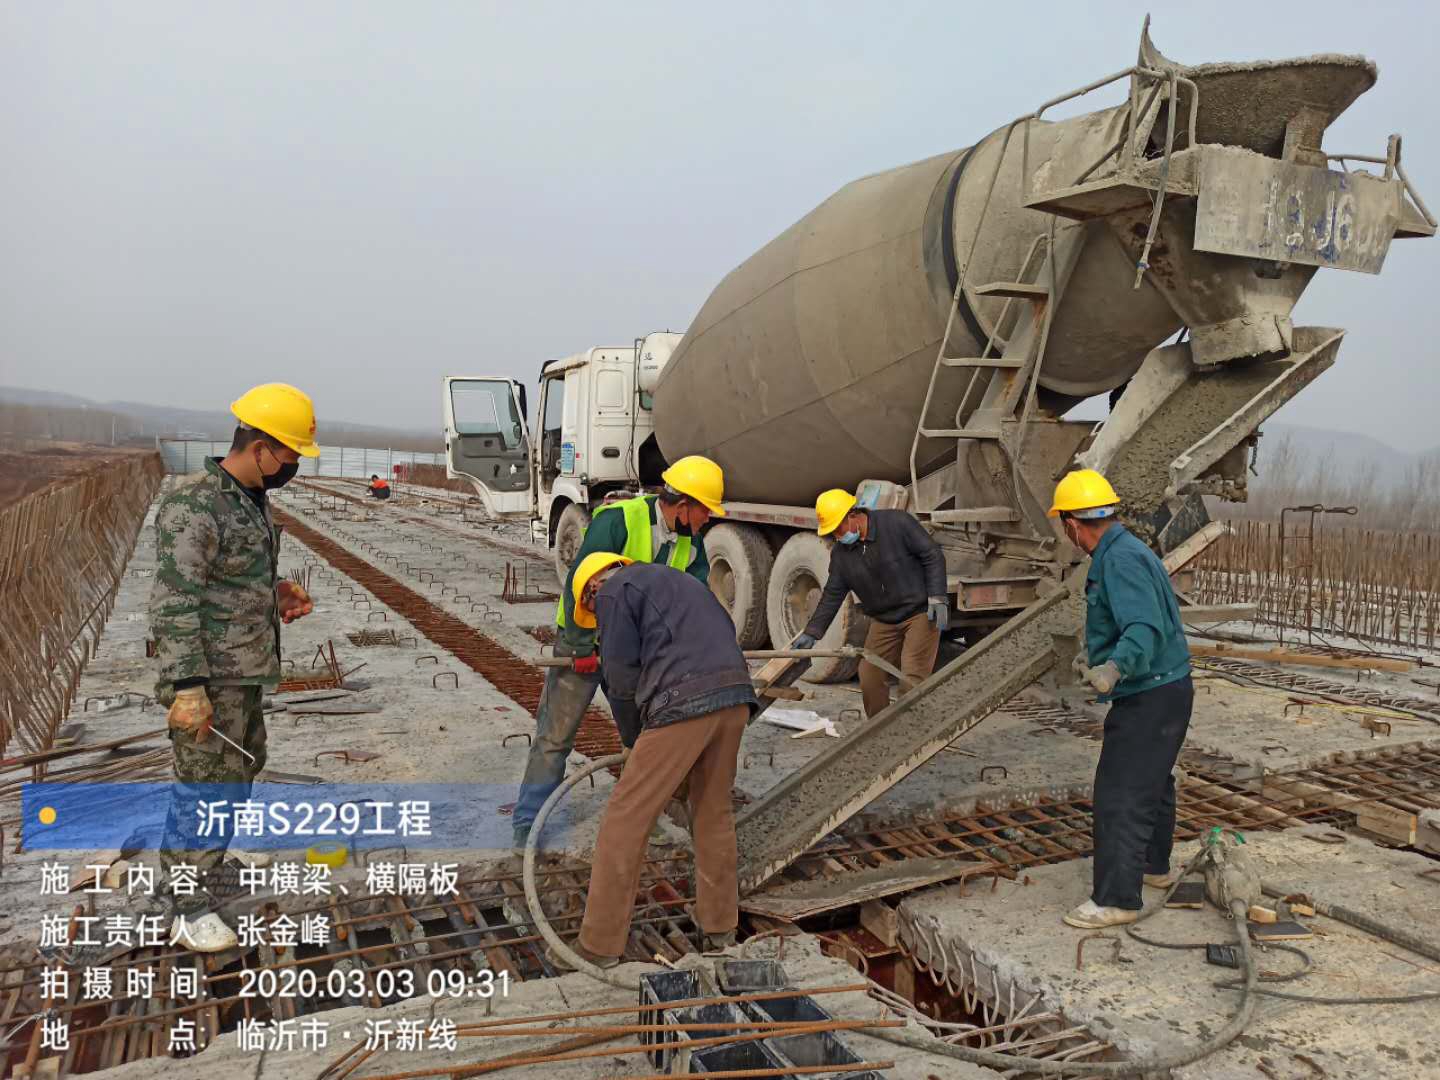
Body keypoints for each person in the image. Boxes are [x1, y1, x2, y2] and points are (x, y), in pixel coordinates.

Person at [150, 383, 320, 952]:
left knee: (239, 774)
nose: (292, 466)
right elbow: (174, 600)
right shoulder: (193, 503)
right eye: (290, 456)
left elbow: (230, 579)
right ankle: (185, 902)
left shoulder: (247, 498)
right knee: (203, 785)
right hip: (209, 679)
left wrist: (276, 593)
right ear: (260, 446)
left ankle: (209, 861)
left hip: (243, 673)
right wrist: (187, 687)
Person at [548, 553, 758, 970]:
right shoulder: (675, 581)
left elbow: (622, 679)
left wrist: (634, 741)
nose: (595, 611)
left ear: (592, 587)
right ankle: (719, 928)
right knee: (713, 813)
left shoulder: (613, 592)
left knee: (625, 818)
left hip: (683, 702)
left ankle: (599, 945)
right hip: (736, 696)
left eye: (590, 608)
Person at [510, 456, 726, 853]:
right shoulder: (620, 521)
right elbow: (583, 582)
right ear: (684, 506)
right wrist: (581, 648)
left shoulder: (689, 541)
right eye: (705, 512)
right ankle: (528, 823)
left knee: (644, 738)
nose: (706, 521)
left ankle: (642, 815)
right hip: (586, 640)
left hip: (632, 653)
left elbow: (693, 599)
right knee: (556, 736)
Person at [1050, 469, 1193, 930]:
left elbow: (1144, 627)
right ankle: (1154, 867)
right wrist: (1094, 656)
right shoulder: (1126, 549)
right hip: (1168, 689)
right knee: (1153, 782)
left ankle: (1117, 899)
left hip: (1150, 693)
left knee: (1120, 793)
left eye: (1064, 526)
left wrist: (1114, 669)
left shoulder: (1120, 560)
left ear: (1074, 524)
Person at [794, 489, 948, 718]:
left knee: (912, 678)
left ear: (853, 515)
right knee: (869, 677)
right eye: (832, 532)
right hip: (884, 619)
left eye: (838, 528)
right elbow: (833, 594)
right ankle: (879, 734)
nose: (837, 535)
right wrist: (812, 632)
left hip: (920, 612)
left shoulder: (897, 523)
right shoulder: (841, 555)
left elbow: (932, 555)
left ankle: (911, 739)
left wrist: (938, 596)